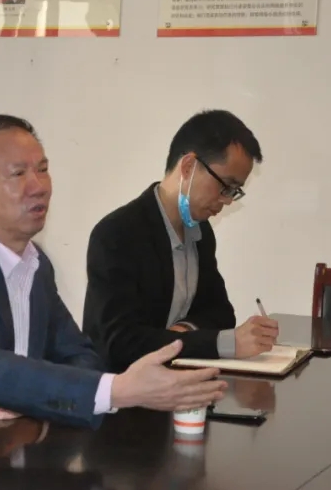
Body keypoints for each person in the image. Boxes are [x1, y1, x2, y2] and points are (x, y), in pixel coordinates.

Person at [0, 114, 226, 471]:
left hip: (0, 465)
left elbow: (80, 354)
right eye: (18, 173)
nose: (40, 186)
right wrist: (118, 390)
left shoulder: (35, 264)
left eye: (43, 169)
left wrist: (25, 399)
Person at [82, 109, 277, 373]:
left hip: (176, 380)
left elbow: (221, 313)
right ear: (188, 167)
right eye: (225, 186)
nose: (227, 200)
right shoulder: (117, 235)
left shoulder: (200, 231)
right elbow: (121, 344)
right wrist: (222, 343)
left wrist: (183, 331)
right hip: (123, 387)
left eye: (234, 191)